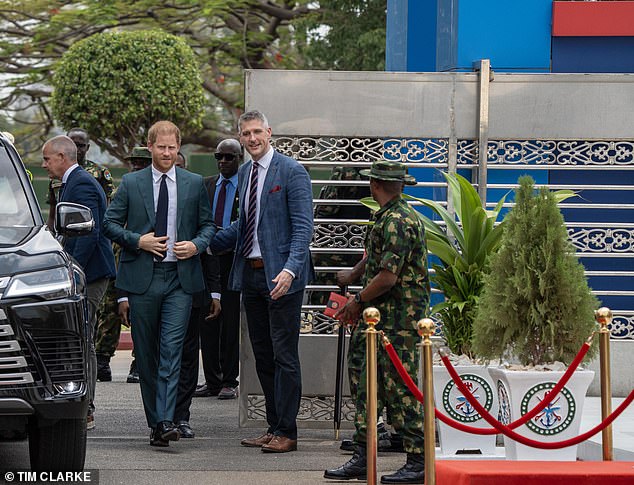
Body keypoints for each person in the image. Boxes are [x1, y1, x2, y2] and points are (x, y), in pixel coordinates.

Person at [103, 121, 214, 447]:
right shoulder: (132, 183)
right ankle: (156, 423)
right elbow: (109, 224)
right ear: (149, 147)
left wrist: (195, 245)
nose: (167, 153)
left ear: (179, 148)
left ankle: (166, 420)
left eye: (172, 147)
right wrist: (139, 241)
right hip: (142, 281)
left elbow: (208, 226)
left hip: (180, 281)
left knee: (172, 351)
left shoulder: (194, 184)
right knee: (148, 356)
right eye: (161, 147)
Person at [210, 110, 314, 453]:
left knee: (285, 356)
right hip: (250, 275)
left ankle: (289, 431)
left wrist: (290, 270)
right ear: (240, 138)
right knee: (263, 356)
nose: (252, 138)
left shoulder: (292, 171)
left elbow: (303, 229)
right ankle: (273, 426)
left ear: (269, 132)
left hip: (281, 278)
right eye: (246, 133)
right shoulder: (244, 172)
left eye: (257, 131)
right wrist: (204, 241)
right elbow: (245, 225)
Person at [324, 160, 429, 484]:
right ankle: (363, 452)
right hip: (378, 321)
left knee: (399, 388)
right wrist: (354, 275)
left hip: (396, 321)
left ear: (374, 185)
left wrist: (355, 302)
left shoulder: (397, 221)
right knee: (365, 383)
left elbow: (387, 277)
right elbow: (376, 258)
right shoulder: (388, 217)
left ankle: (418, 459)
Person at [41, 135, 117, 431]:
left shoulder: (81, 183)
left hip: (89, 275)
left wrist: (73, 274)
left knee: (83, 340)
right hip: (85, 273)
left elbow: (87, 234)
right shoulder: (72, 182)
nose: (45, 165)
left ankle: (86, 409)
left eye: (48, 159)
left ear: (62, 157)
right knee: (78, 339)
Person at [195, 138, 242, 400]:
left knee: (231, 321)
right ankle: (211, 380)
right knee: (208, 319)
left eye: (229, 157)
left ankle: (229, 380)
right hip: (208, 257)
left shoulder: (246, 185)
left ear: (239, 158)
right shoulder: (207, 185)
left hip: (234, 259)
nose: (223, 161)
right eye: (219, 157)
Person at [116, 147, 154, 384]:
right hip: (127, 254)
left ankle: (140, 362)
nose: (138, 166)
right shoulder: (126, 187)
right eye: (135, 163)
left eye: (143, 162)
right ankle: (138, 361)